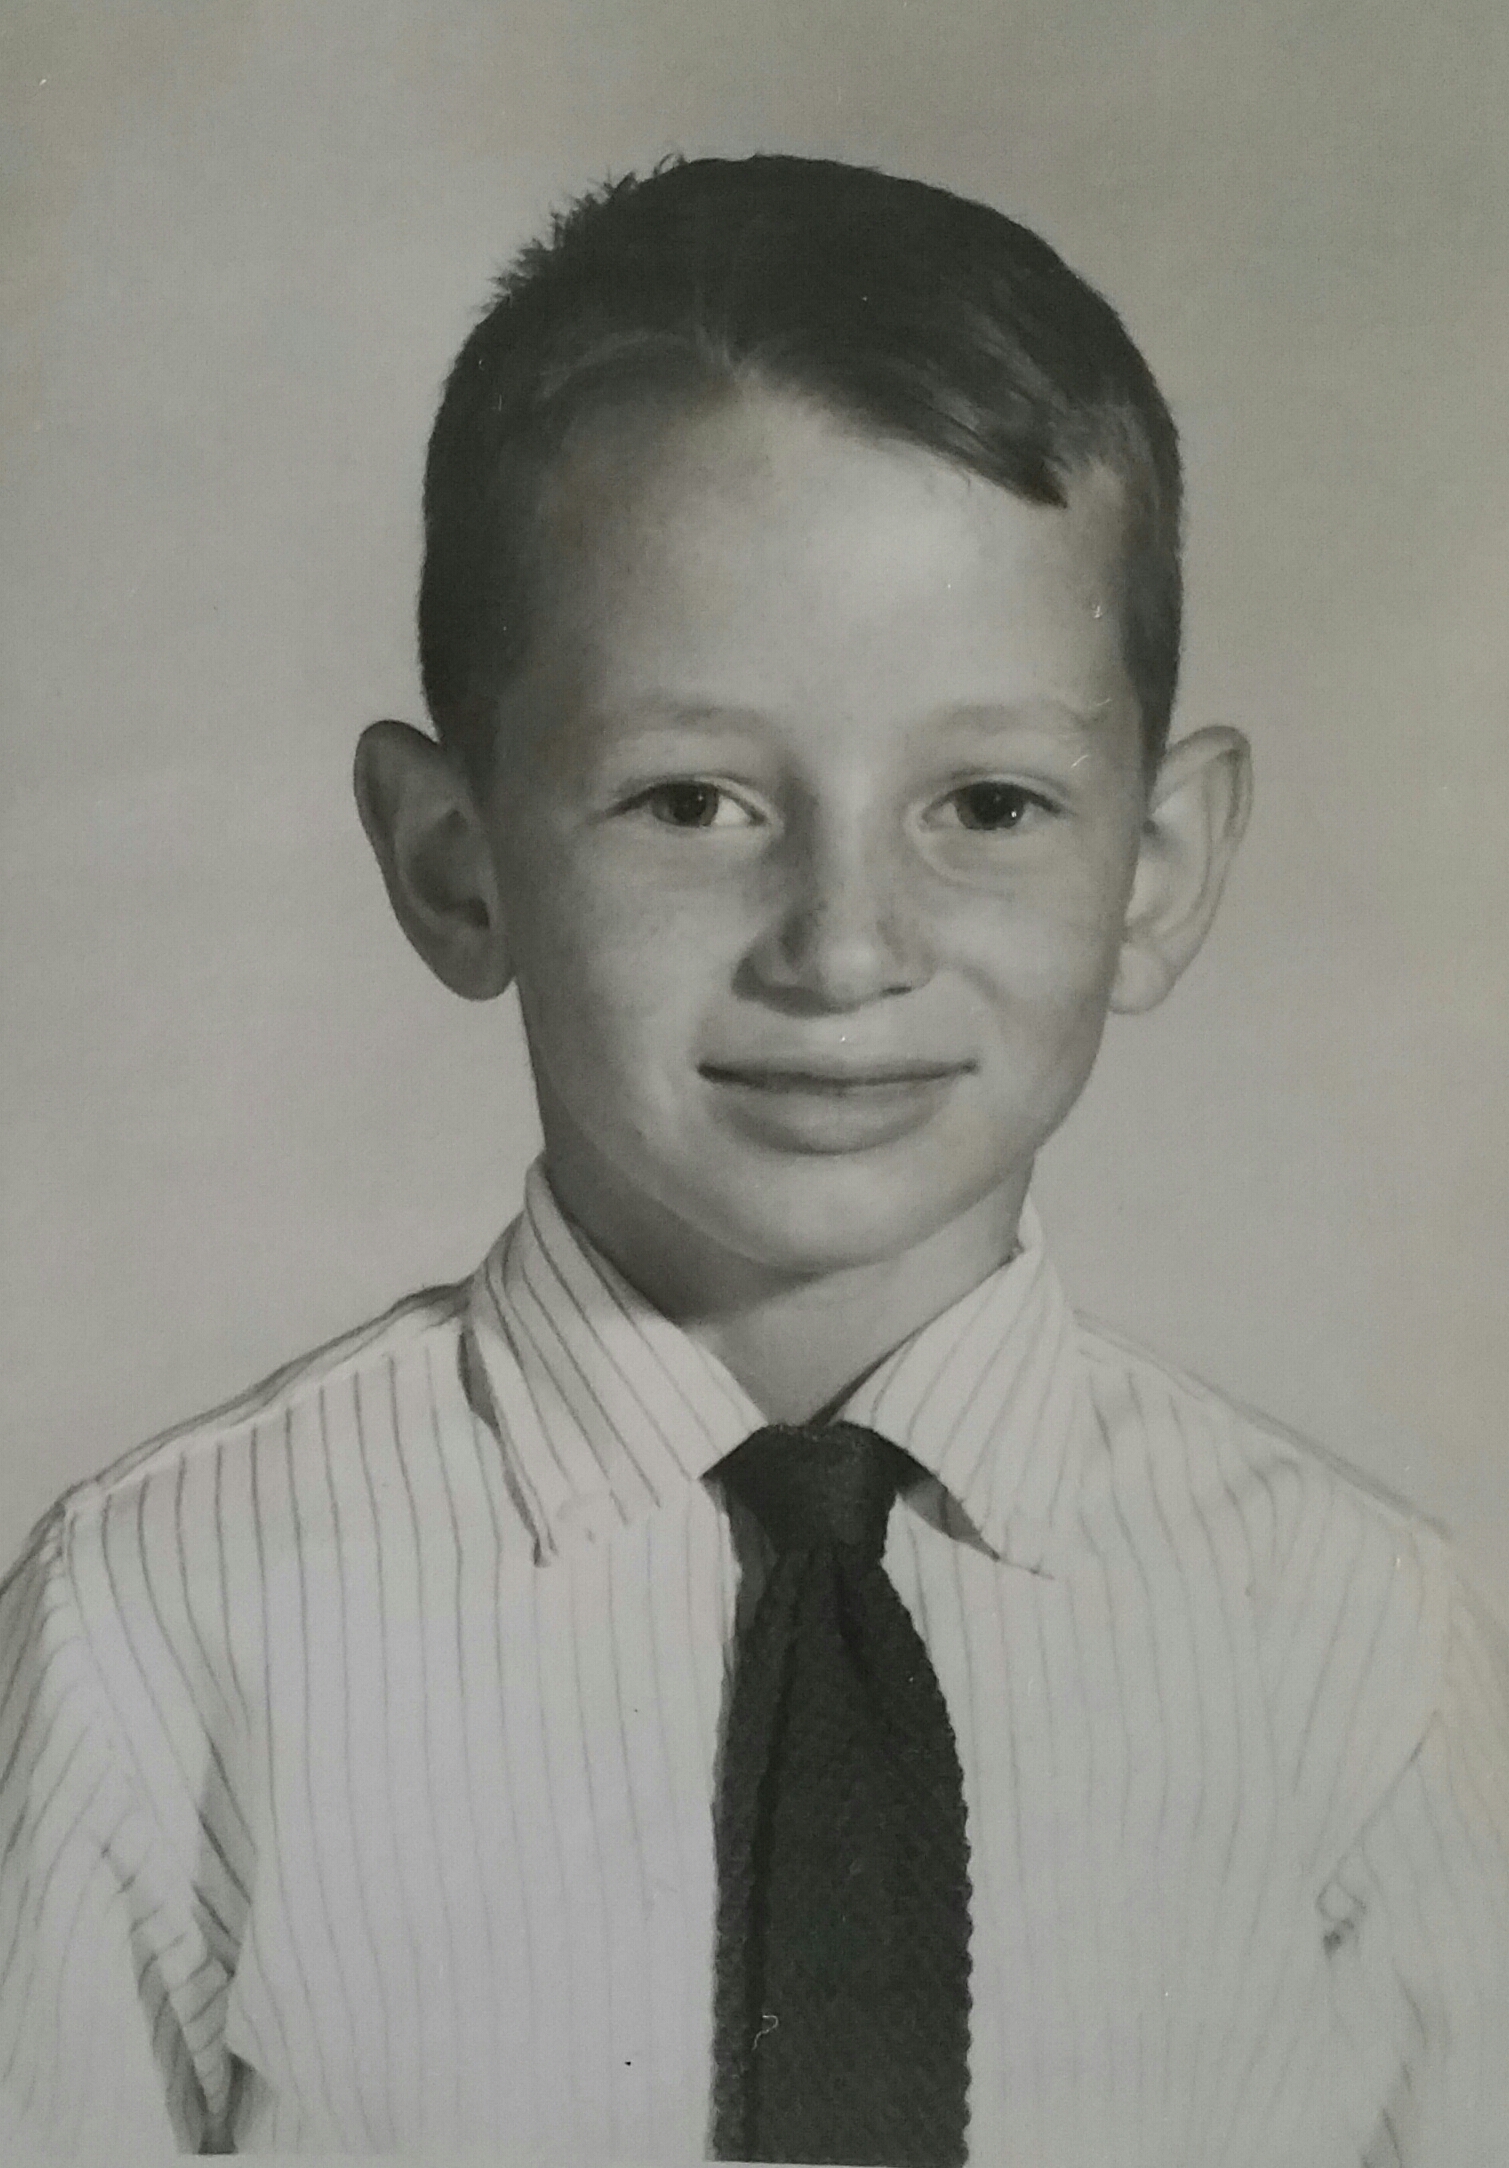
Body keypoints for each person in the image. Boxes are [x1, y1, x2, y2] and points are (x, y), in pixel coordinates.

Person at [1, 155, 1505, 2166]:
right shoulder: (158, 1632)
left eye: (987, 802)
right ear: (454, 861)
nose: (842, 946)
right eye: (692, 800)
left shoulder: (1361, 1651)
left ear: (1156, 869)